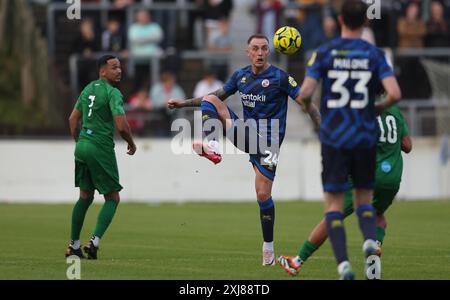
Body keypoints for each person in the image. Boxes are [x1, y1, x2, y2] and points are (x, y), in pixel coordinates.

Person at [167, 34, 320, 266]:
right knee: (211, 99)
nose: (259, 53)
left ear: (269, 52)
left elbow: (306, 102)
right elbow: (218, 96)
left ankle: (268, 250)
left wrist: (323, 128)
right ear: (248, 52)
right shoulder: (241, 76)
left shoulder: (280, 78)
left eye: (264, 49)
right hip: (249, 134)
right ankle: (213, 145)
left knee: (263, 195)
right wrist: (184, 103)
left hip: (269, 142)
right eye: (255, 49)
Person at [284, 0, 402, 279]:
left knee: (334, 207)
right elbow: (395, 93)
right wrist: (376, 109)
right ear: (365, 22)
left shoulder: (324, 52)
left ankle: (343, 266)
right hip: (363, 137)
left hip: (336, 137)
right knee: (364, 202)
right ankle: (371, 241)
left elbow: (303, 94)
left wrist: (314, 112)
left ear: (339, 21)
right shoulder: (375, 54)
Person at [278, 104, 412, 278]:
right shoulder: (395, 110)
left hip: (366, 175)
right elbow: (407, 145)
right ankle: (374, 259)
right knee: (379, 217)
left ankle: (297, 261)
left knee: (333, 214)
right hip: (392, 177)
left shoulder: (361, 108)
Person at [65, 55, 137, 259]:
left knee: (85, 196)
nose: (119, 71)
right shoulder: (113, 93)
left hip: (82, 146)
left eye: (120, 67)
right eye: (114, 67)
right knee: (112, 197)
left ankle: (74, 245)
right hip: (100, 147)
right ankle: (94, 242)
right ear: (102, 71)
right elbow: (122, 126)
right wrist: (131, 142)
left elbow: (72, 119)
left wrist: (80, 142)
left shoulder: (88, 89)